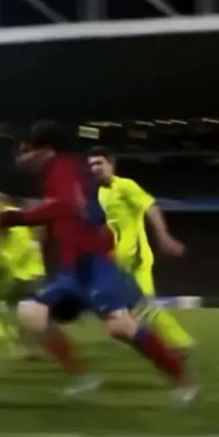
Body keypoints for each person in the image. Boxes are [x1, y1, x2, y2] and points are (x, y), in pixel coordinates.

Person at [0, 122, 198, 404]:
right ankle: (83, 376)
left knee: (120, 326)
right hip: (74, 267)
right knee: (30, 312)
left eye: (26, 152)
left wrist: (11, 218)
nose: (21, 159)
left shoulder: (62, 167)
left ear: (45, 150)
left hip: (95, 262)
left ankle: (182, 377)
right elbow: (68, 212)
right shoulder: (62, 171)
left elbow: (64, 207)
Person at [87, 146, 193, 351]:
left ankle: (182, 342)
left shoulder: (126, 185)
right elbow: (113, 224)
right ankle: (138, 336)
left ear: (111, 163)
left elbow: (151, 208)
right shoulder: (102, 193)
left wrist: (164, 236)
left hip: (137, 256)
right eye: (91, 165)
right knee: (123, 302)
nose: (95, 168)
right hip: (119, 257)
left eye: (99, 163)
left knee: (145, 304)